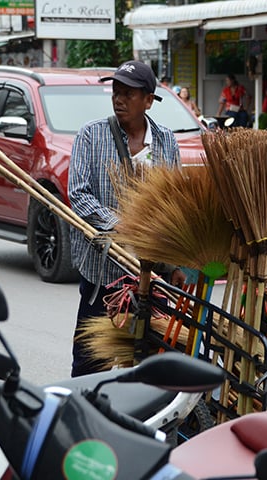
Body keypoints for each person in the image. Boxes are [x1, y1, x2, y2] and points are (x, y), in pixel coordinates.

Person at [68, 60, 186, 377]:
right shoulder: (91, 136)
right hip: (103, 271)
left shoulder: (166, 142)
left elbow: (171, 204)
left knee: (148, 356)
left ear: (148, 100)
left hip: (149, 274)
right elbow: (78, 195)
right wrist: (121, 226)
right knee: (90, 360)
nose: (119, 99)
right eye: (115, 92)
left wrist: (173, 263)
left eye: (128, 94)